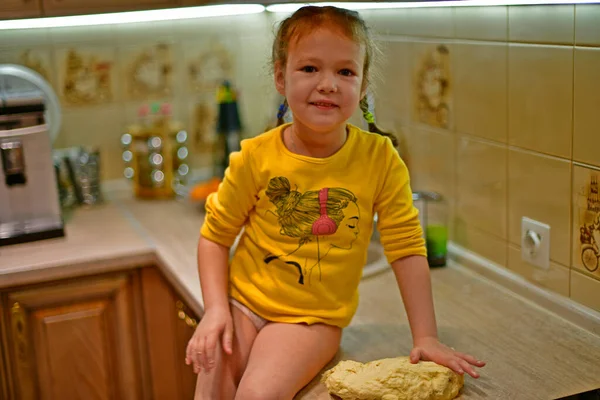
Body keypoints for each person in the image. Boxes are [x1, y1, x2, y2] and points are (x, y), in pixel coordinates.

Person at [186, 5, 485, 399]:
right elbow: (214, 238)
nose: (328, 84)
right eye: (310, 68)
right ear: (280, 76)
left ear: (361, 87)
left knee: (256, 395)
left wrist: (426, 336)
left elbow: (407, 250)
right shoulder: (254, 157)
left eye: (345, 71)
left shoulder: (380, 159)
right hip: (241, 304)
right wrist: (216, 311)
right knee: (211, 390)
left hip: (310, 322)